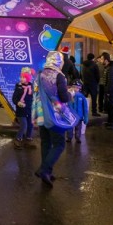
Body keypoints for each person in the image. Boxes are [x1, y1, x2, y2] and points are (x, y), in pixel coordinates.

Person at [33, 51, 71, 187]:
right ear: (59, 61)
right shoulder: (59, 76)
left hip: (41, 113)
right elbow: (63, 97)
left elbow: (36, 94)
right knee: (59, 144)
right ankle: (44, 169)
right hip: (55, 115)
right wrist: (70, 94)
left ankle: (47, 172)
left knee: (46, 143)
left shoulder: (40, 74)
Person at [12, 68, 36, 150]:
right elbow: (14, 98)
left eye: (24, 77)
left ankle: (28, 140)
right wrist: (18, 103)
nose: (21, 78)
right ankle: (18, 139)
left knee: (30, 124)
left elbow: (33, 96)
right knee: (24, 125)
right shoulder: (18, 87)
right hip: (21, 111)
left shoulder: (31, 86)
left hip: (29, 109)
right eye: (21, 77)